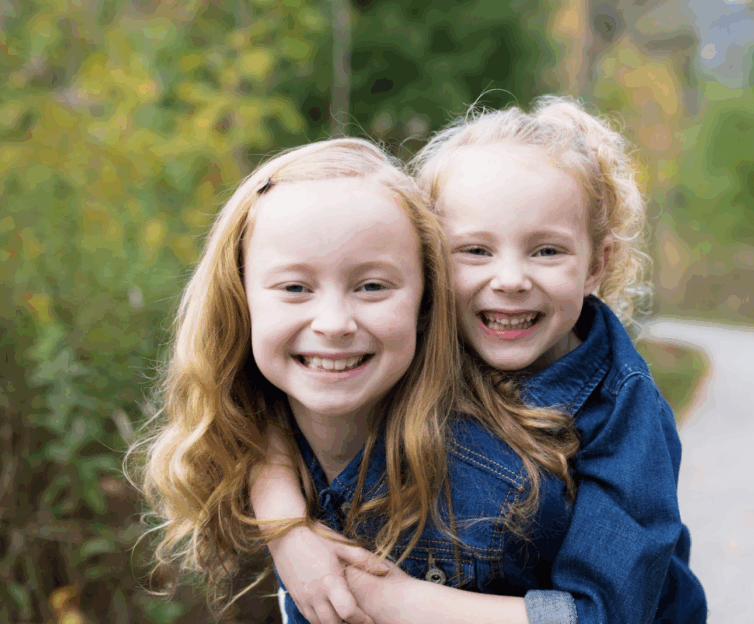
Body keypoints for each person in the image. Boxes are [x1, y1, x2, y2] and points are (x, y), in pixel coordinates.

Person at [253, 97, 707, 624]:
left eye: (547, 251)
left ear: (595, 264)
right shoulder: (402, 338)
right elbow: (261, 411)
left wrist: (395, 602)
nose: (511, 279)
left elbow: (606, 614)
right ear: (425, 259)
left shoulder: (622, 413)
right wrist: (288, 535)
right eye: (474, 250)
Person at [131, 138, 579, 622]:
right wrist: (287, 530)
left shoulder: (502, 489)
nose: (333, 323)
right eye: (295, 288)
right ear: (241, 303)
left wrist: (388, 600)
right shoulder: (252, 434)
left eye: (371, 286)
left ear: (427, 304)